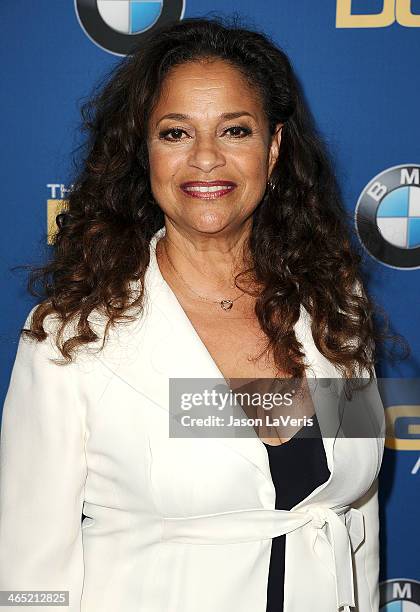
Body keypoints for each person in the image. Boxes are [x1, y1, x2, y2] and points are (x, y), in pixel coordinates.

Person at [0, 16, 388, 612]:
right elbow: (28, 570)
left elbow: (351, 515)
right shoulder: (73, 336)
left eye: (235, 130)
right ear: (144, 151)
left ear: (273, 147)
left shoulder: (335, 303)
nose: (206, 159)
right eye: (176, 133)